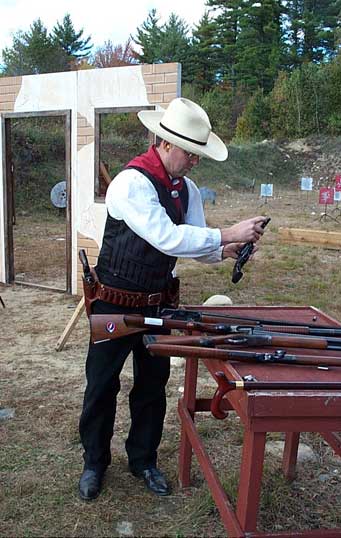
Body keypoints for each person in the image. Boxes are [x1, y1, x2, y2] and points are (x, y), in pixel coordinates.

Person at [78, 97, 267, 501]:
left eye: (198, 155)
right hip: (114, 301)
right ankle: (94, 462)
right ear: (165, 143)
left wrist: (224, 250)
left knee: (152, 385)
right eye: (190, 153)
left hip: (159, 302)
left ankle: (143, 459)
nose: (194, 162)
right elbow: (166, 236)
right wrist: (228, 233)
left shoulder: (188, 189)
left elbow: (194, 241)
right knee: (101, 385)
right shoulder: (131, 182)